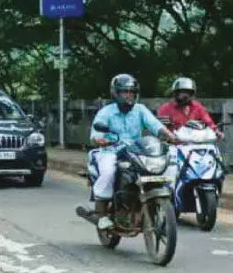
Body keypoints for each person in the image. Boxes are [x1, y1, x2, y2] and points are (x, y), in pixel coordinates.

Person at [90, 74, 178, 230]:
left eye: (131, 92)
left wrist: (170, 136)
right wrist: (100, 140)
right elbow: (95, 136)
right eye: (124, 92)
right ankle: (102, 213)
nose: (128, 96)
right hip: (110, 151)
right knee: (109, 171)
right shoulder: (106, 112)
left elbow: (156, 126)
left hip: (134, 150)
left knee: (167, 161)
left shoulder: (140, 110)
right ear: (115, 93)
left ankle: (161, 198)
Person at [156, 77, 223, 139]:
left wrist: (216, 131)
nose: (185, 96)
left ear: (192, 94)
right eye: (182, 92)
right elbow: (159, 126)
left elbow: (208, 122)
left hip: (195, 141)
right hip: (173, 143)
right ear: (175, 93)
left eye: (187, 93)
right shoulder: (166, 108)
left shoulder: (197, 107)